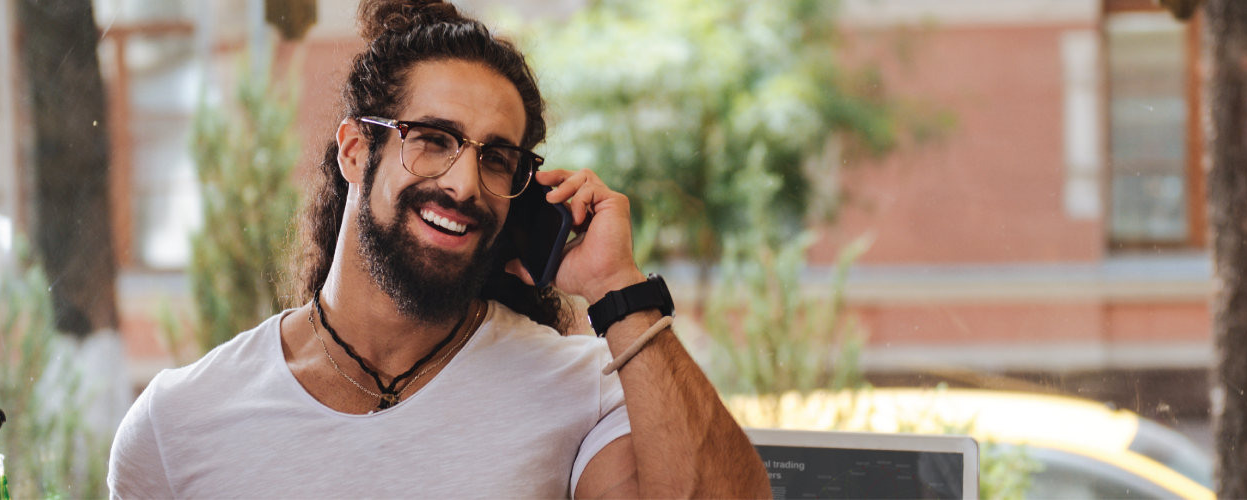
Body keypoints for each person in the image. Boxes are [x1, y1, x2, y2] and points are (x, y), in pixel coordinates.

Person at [105, 1, 770, 497]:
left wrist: (618, 289)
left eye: (496, 158)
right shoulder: (177, 423)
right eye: (432, 138)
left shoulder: (582, 387)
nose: (463, 184)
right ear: (355, 150)